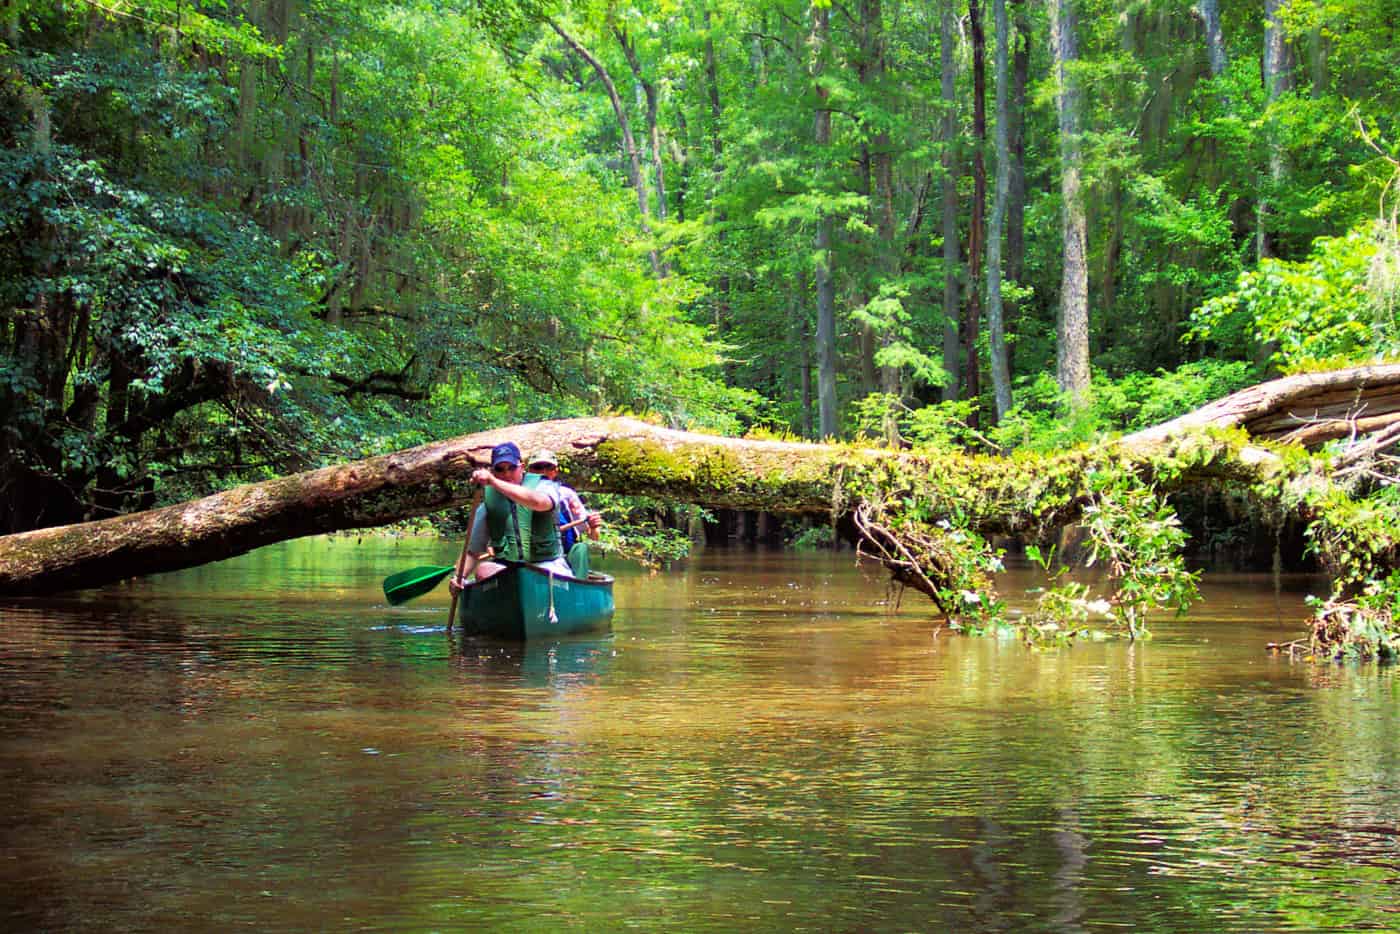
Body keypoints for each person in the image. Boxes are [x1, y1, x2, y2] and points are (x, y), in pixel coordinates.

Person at [450, 441, 573, 589]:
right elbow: (473, 552)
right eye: (500, 469)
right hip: (507, 569)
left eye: (511, 468)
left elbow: (540, 503)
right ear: (493, 471)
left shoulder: (544, 486)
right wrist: (458, 577)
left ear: (521, 467)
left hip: (547, 564)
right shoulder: (488, 505)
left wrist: (494, 482)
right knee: (484, 570)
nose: (506, 474)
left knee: (547, 577)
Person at [527, 449, 602, 549]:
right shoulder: (519, 494)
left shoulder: (566, 495)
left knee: (580, 549)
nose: (543, 472)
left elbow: (593, 536)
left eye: (549, 467)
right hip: (529, 553)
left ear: (555, 471)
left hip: (564, 551)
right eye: (537, 467)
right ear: (529, 471)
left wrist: (593, 526)